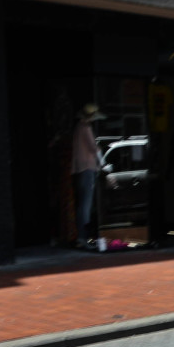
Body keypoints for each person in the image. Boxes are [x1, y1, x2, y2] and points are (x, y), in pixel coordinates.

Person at [71, 102, 104, 246]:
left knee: (82, 204)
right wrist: (103, 163)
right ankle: (83, 237)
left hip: (79, 169)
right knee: (86, 205)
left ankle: (81, 236)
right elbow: (94, 148)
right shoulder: (86, 128)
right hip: (87, 168)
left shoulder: (78, 128)